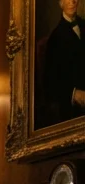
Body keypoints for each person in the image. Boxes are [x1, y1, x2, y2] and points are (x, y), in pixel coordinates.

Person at [41, 0, 85, 128]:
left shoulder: (84, 25)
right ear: (61, 3)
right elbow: (49, 83)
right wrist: (74, 94)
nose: (72, 2)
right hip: (72, 110)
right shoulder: (55, 38)